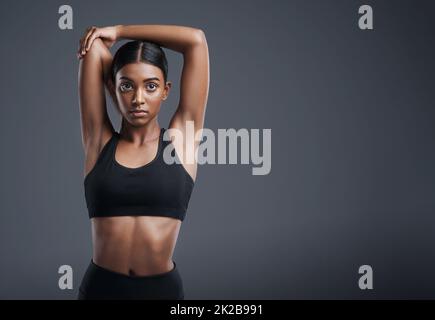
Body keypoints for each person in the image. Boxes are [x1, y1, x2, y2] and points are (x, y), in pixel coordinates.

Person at [76, 24, 209, 300]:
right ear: (113, 87)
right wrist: (120, 81)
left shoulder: (181, 142)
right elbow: (95, 50)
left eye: (151, 86)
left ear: (166, 90)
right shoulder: (97, 142)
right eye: (127, 87)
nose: (138, 99)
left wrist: (121, 30)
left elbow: (195, 41)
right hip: (100, 291)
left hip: (161, 293)